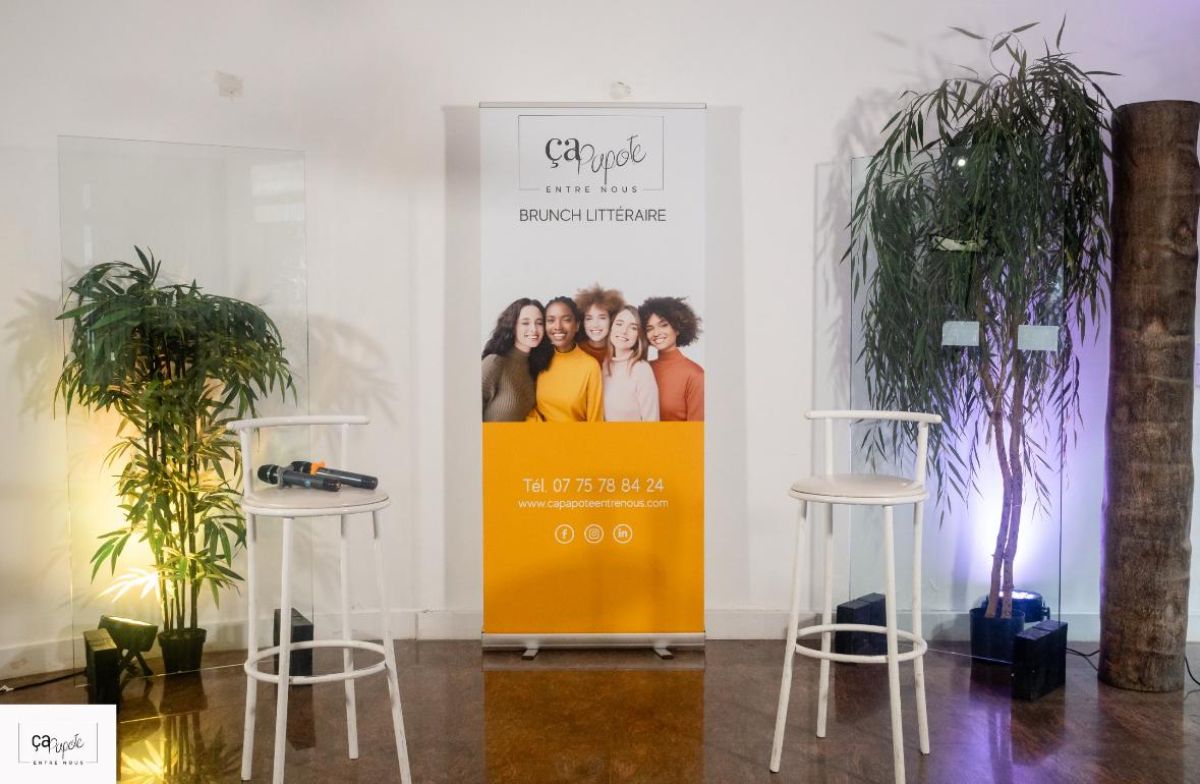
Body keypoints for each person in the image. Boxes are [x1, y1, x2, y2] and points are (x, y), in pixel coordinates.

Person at [529, 296, 603, 422]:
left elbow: (595, 421)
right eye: (551, 320)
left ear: (577, 325)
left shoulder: (590, 366)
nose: (558, 326)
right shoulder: (538, 358)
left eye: (566, 320)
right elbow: (530, 409)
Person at [481, 298, 552, 422]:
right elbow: (466, 412)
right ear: (513, 326)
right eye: (525, 323)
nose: (534, 329)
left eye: (539, 323)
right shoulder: (495, 363)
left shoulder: (535, 367)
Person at [640, 296, 704, 422]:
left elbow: (696, 431)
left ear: (677, 328)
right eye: (649, 328)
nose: (656, 333)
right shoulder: (643, 368)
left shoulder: (695, 375)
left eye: (663, 325)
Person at [603, 304, 659, 422]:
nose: (624, 331)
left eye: (633, 328)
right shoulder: (604, 364)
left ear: (638, 336)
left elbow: (652, 422)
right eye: (619, 324)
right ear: (611, 327)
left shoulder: (642, 369)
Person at [573, 284, 624, 363]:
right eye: (589, 318)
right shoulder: (575, 350)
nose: (595, 325)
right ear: (583, 321)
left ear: (612, 320)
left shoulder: (620, 351)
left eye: (602, 318)